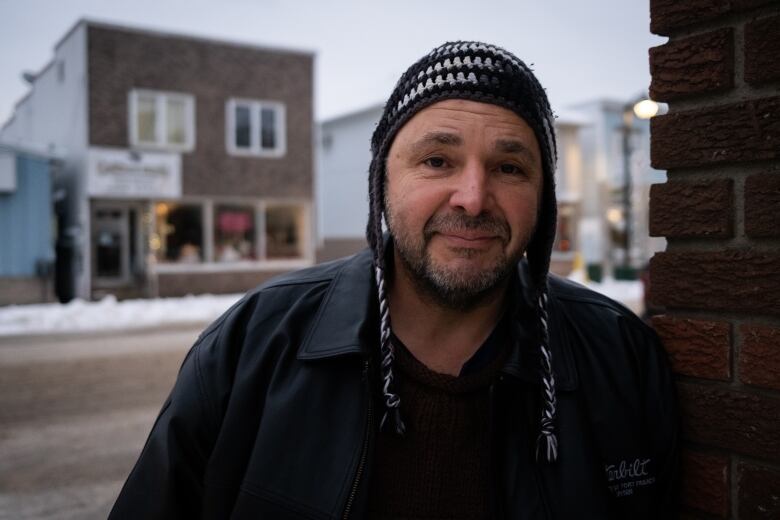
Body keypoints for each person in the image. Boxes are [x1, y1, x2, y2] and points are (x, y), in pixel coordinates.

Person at [109, 42, 678, 519]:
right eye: (437, 160)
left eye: (509, 167)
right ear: (383, 180)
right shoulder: (255, 345)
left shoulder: (618, 358)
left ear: (543, 199)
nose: (474, 198)